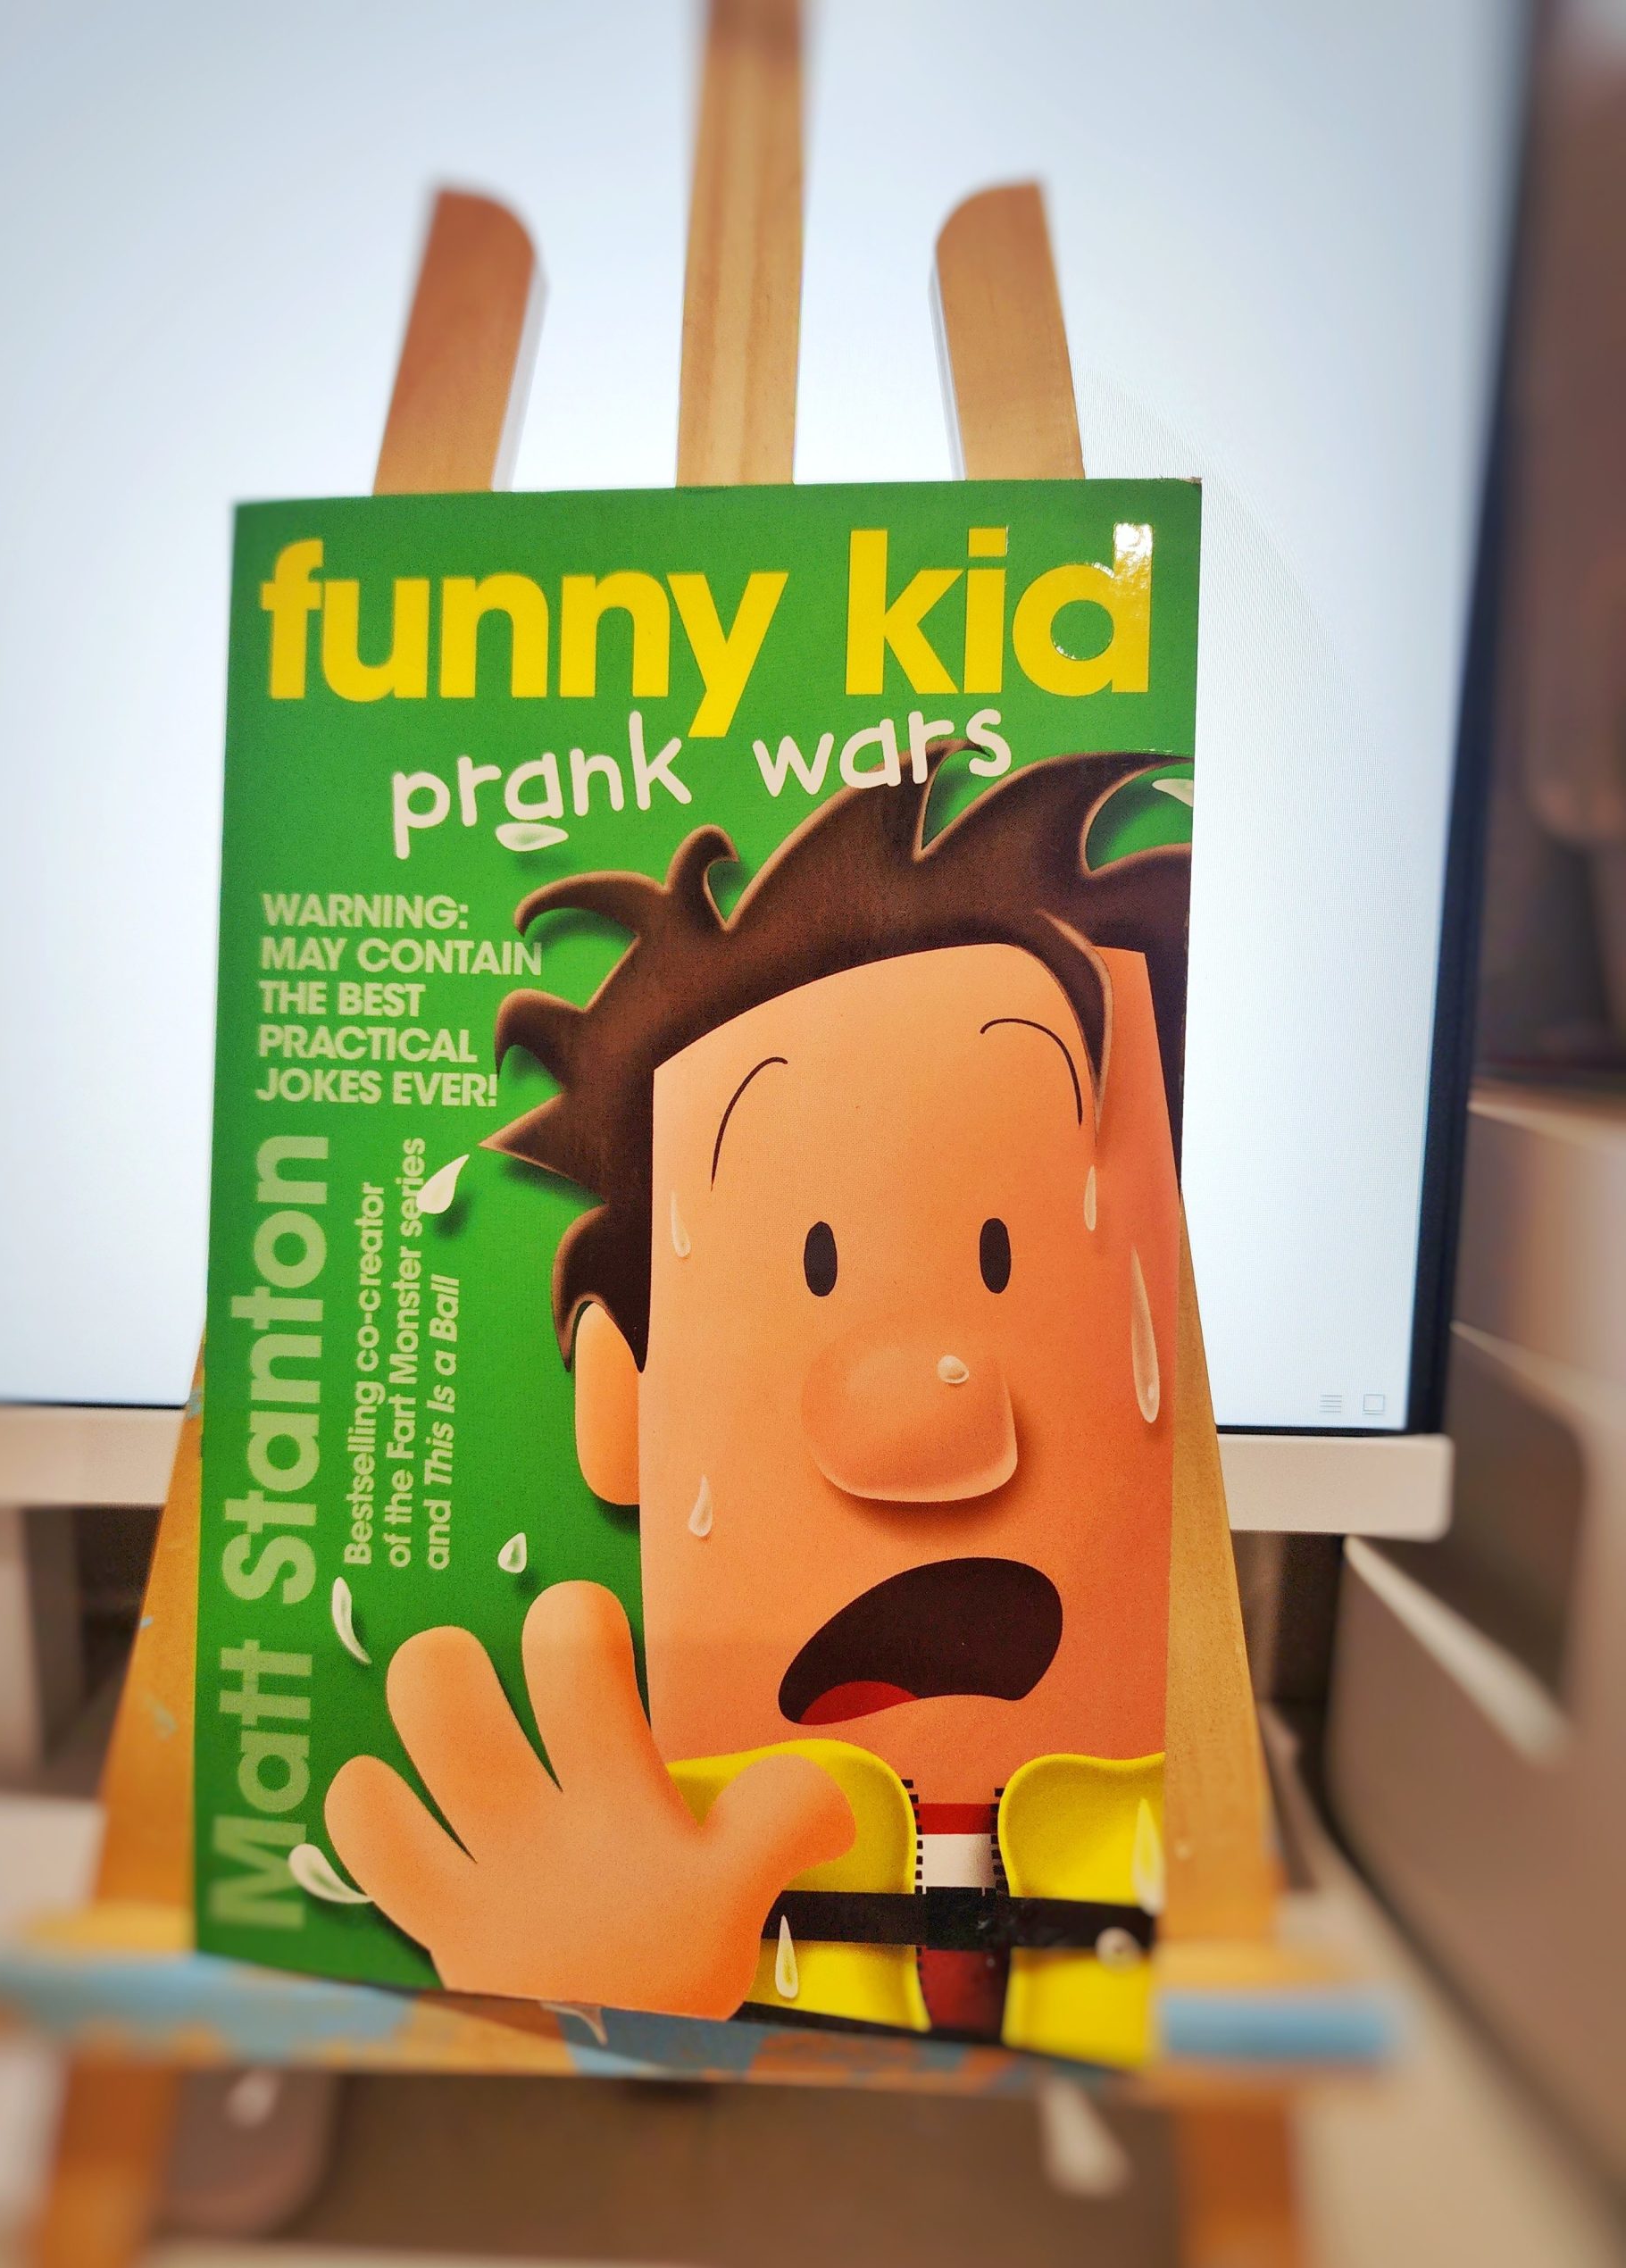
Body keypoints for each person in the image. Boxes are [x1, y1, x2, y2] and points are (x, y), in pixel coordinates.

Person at [326, 747, 1191, 2062]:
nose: (921, 1429)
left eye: (1005, 1260)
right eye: (811, 1268)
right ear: (620, 1403)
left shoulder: (1214, 1842)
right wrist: (585, 2001)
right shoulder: (642, 1851)